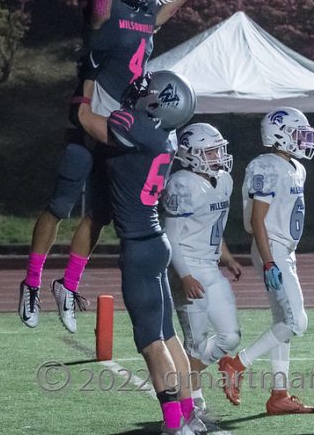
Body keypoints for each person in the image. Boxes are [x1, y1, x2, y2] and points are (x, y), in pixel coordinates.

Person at [18, 0, 227, 333]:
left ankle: (68, 284)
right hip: (88, 119)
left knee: (100, 214)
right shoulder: (103, 13)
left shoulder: (146, 14)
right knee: (59, 205)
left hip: (122, 125)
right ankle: (31, 282)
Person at [76, 70, 204, 435]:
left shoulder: (138, 128)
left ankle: (175, 424)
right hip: (155, 241)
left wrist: (85, 85)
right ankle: (188, 413)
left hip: (138, 247)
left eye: (152, 91)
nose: (144, 91)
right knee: (167, 336)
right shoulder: (165, 133)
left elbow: (86, 119)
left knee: (149, 343)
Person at [218, 107, 314, 416]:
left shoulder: (295, 168)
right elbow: (259, 219)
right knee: (295, 322)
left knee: (283, 324)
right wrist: (269, 261)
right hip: (271, 248)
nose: (304, 140)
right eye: (298, 134)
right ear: (280, 135)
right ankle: (237, 364)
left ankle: (279, 394)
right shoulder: (265, 166)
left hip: (283, 249)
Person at [161, 122, 243, 430]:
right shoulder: (181, 183)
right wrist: (184, 275)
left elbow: (214, 227)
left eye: (218, 149)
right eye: (210, 151)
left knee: (230, 336)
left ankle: (183, 385)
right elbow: (171, 235)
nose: (218, 156)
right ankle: (191, 400)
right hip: (187, 267)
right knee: (195, 344)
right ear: (192, 154)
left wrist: (228, 257)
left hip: (210, 265)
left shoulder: (223, 180)